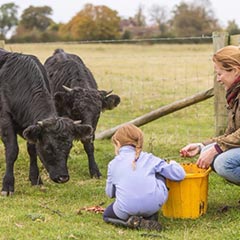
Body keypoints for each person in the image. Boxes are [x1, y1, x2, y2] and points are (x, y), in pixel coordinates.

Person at [103, 123, 185, 231]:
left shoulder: (113, 164)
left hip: (126, 209)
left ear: (117, 143)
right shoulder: (150, 159)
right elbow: (180, 174)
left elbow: (110, 194)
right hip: (153, 206)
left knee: (107, 215)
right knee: (159, 172)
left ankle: (130, 223)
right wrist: (173, 163)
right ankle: (150, 216)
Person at [180, 45, 240, 185]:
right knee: (208, 151)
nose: (218, 79)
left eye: (220, 74)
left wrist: (217, 148)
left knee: (223, 163)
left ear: (236, 71)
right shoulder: (235, 93)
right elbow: (232, 134)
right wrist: (202, 146)